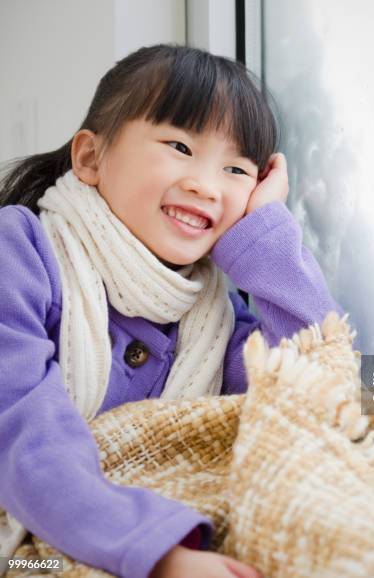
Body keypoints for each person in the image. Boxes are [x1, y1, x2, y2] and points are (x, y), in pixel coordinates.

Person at [0, 44, 342, 578]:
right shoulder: (19, 252)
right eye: (180, 146)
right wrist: (158, 557)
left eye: (235, 168)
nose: (205, 184)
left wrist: (265, 232)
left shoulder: (217, 321)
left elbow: (315, 393)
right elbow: (20, 429)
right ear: (90, 157)